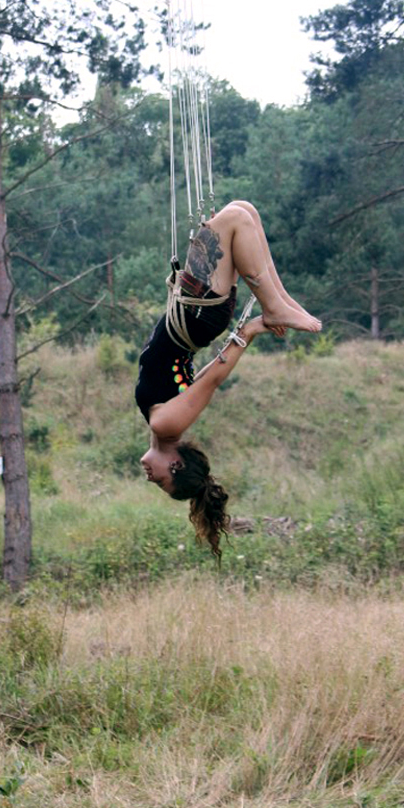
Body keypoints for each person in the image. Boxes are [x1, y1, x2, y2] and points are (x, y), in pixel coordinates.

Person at [135, 200, 321, 557]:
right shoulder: (166, 423)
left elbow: (202, 375)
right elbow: (212, 379)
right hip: (198, 312)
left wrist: (247, 330)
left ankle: (280, 300)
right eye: (159, 480)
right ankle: (275, 304)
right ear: (175, 465)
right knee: (236, 218)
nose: (149, 476)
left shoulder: (163, 423)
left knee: (244, 209)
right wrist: (247, 334)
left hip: (198, 311)